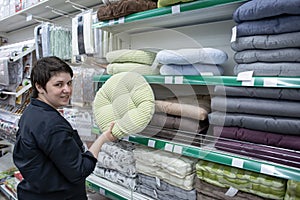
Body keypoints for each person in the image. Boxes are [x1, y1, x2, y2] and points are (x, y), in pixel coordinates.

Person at [13, 56, 116, 200]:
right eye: (59, 85)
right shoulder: (51, 124)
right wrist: (103, 138)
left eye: (69, 83)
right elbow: (80, 170)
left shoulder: (32, 111)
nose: (67, 90)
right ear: (39, 87)